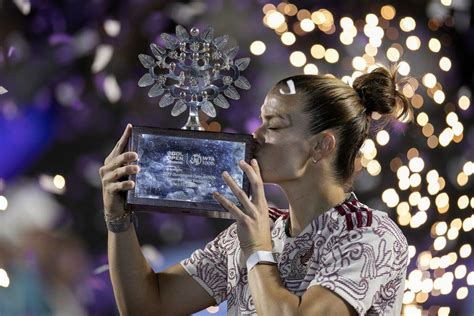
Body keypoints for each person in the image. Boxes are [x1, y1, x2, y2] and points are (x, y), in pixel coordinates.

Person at [99, 65, 412, 315]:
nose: (256, 135)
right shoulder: (257, 228)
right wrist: (118, 219)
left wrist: (259, 252)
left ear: (320, 145)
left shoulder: (371, 236)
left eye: (274, 125)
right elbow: (147, 306)